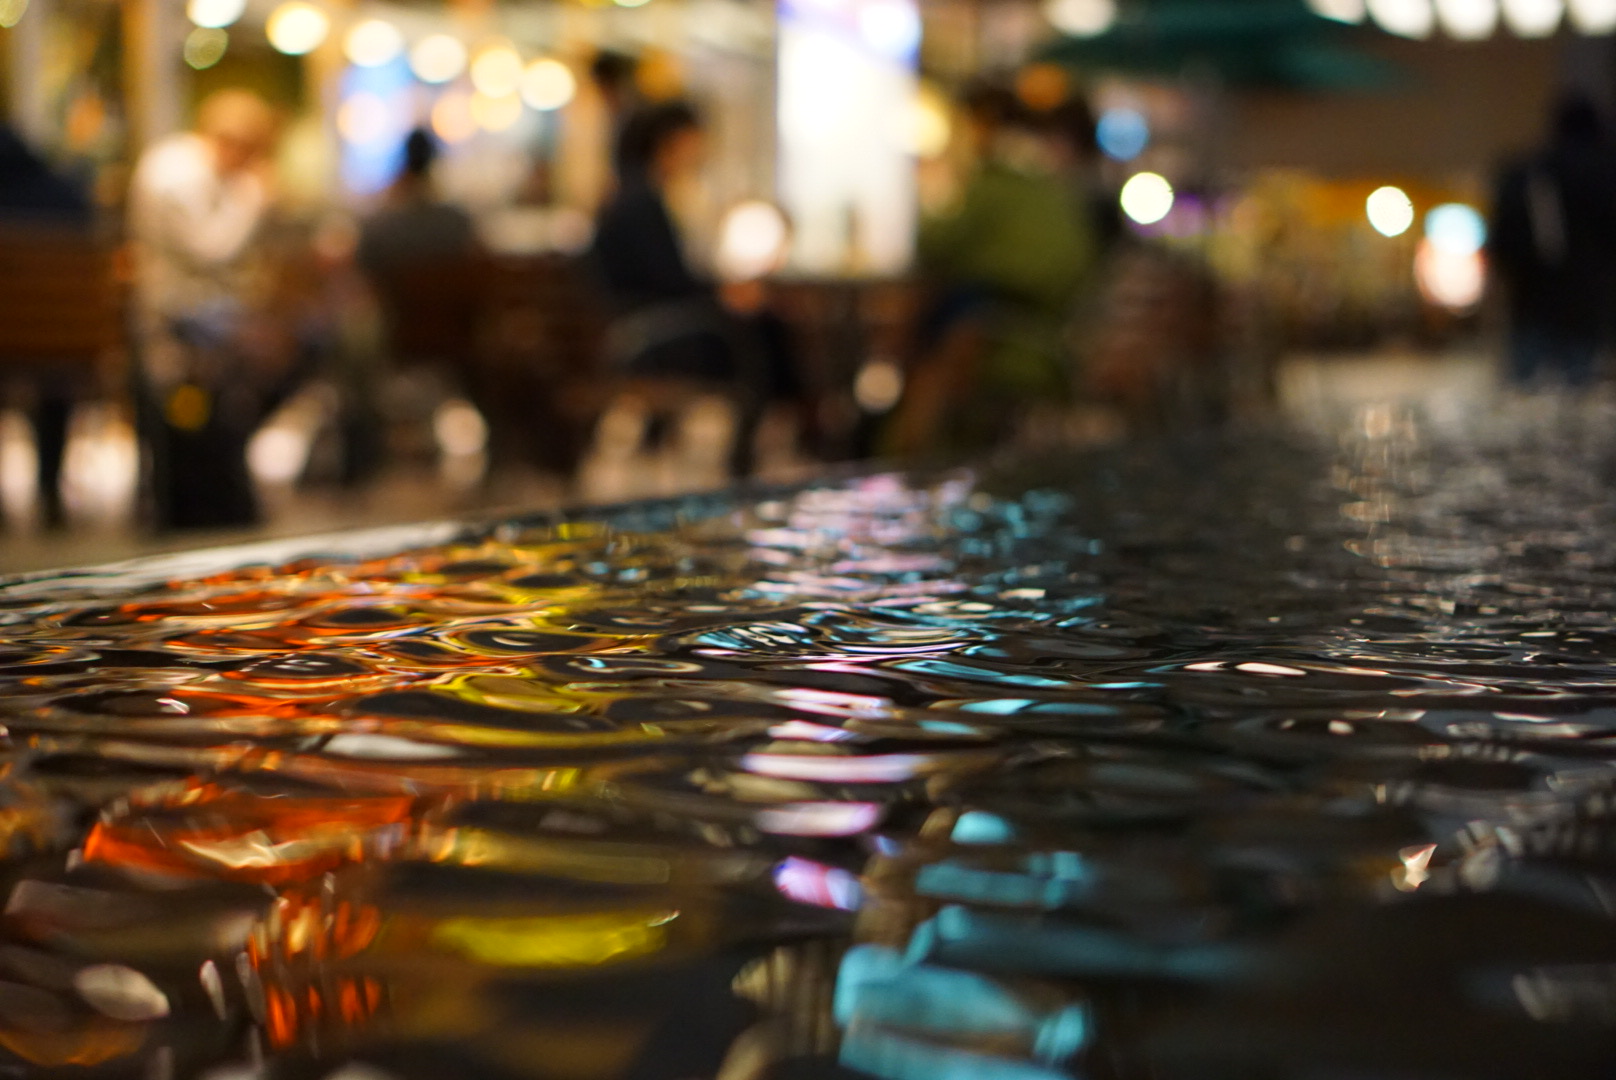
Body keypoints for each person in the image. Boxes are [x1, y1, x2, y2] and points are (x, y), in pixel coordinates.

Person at [589, 101, 798, 476]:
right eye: (694, 141)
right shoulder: (642, 201)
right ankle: (764, 447)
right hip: (653, 337)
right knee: (763, 330)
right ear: (670, 142)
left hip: (647, 329)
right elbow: (666, 281)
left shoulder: (634, 195)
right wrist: (723, 295)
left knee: (763, 322)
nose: (700, 151)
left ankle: (781, 433)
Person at [888, 88, 1098, 456]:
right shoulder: (1049, 180)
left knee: (927, 330)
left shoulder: (996, 179)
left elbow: (934, 245)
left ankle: (903, 451)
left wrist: (927, 194)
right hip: (1050, 332)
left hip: (999, 328)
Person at [127, 88, 282, 529]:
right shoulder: (173, 173)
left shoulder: (203, 171)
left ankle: (226, 472)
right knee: (282, 347)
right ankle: (223, 476)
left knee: (295, 339)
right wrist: (253, 198)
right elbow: (212, 250)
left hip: (205, 312)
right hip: (176, 314)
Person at [0, 125, 96, 529]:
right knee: (54, 381)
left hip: (5, 343)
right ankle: (50, 493)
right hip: (64, 344)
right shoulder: (68, 196)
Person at [1489, 94, 1616, 390]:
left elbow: (1502, 241)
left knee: (1524, 396)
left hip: (1532, 301)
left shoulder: (1527, 172)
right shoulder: (1604, 171)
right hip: (1587, 304)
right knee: (1582, 392)